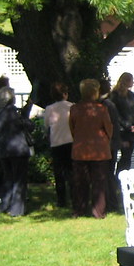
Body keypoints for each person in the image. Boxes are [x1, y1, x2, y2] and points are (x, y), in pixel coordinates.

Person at [68, 79, 113, 219]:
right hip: (99, 150)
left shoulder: (75, 108)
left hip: (80, 150)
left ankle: (79, 210)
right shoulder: (101, 109)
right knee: (99, 182)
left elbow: (72, 129)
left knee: (80, 182)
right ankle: (98, 211)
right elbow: (109, 128)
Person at [0, 86, 34, 216]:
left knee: (8, 178)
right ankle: (17, 209)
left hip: (4, 149)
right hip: (18, 149)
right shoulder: (13, 112)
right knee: (19, 180)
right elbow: (26, 125)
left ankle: (5, 205)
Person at [43, 82, 74, 208]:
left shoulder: (50, 109)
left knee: (59, 173)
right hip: (71, 141)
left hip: (56, 142)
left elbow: (46, 125)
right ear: (65, 94)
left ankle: (61, 200)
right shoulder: (72, 106)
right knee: (71, 171)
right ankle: (74, 195)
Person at [110, 72, 134, 174]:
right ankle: (117, 178)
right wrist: (127, 126)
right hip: (121, 131)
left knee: (127, 157)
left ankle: (122, 176)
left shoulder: (131, 94)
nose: (133, 82)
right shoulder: (115, 95)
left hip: (131, 130)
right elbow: (115, 115)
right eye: (131, 80)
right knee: (121, 156)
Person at [99, 79, 122, 212]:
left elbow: (113, 125)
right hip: (109, 143)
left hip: (108, 144)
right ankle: (110, 202)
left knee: (107, 174)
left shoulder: (106, 105)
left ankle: (111, 202)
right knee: (107, 174)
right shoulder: (107, 104)